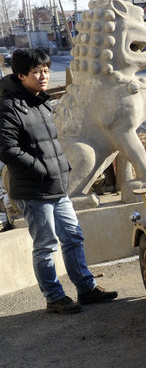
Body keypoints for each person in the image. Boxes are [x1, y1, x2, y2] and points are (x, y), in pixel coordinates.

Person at [0, 49, 118, 314]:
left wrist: (61, 168)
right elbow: (7, 149)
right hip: (32, 189)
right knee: (46, 245)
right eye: (37, 72)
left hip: (55, 184)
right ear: (21, 76)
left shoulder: (40, 101)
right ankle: (54, 297)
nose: (44, 76)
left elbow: (50, 143)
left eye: (45, 70)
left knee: (73, 237)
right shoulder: (9, 106)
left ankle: (85, 289)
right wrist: (41, 169)